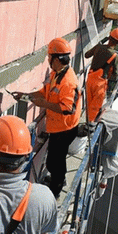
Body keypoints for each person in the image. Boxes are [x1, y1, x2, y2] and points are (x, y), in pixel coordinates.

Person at [13, 38, 82, 197]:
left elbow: (68, 109)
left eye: (49, 56)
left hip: (65, 128)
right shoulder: (57, 74)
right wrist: (27, 95)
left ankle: (55, 190)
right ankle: (58, 179)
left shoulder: (68, 82)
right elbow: (46, 91)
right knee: (55, 160)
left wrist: (43, 104)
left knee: (55, 162)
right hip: (59, 127)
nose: (48, 60)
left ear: (56, 58)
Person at [85, 28, 118, 122]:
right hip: (100, 84)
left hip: (90, 80)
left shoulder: (98, 47)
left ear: (109, 37)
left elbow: (86, 55)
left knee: (88, 104)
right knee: (94, 108)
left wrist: (100, 43)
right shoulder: (115, 56)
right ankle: (89, 127)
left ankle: (87, 123)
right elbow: (115, 76)